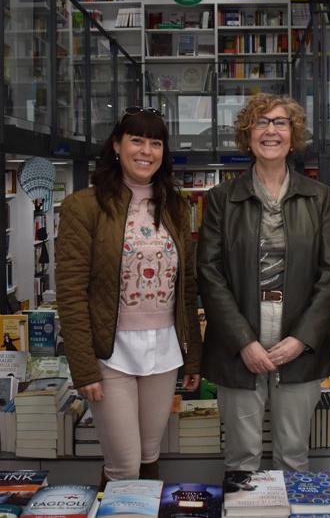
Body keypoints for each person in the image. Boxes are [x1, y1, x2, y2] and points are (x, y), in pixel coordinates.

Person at [56, 107, 202, 484]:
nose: (146, 150)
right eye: (137, 139)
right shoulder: (83, 206)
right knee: (123, 463)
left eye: (156, 142)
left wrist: (194, 357)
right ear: (117, 145)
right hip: (110, 352)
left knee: (150, 455)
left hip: (165, 351)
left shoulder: (176, 206)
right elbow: (70, 292)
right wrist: (84, 367)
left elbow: (186, 288)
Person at [198, 94, 330, 472]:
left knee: (293, 455)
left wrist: (302, 339)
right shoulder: (220, 199)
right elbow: (209, 274)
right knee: (241, 456)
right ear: (247, 137)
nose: (271, 131)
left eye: (280, 123)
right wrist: (243, 341)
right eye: (261, 123)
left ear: (293, 137)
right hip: (237, 338)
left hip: (300, 336)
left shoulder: (319, 198)